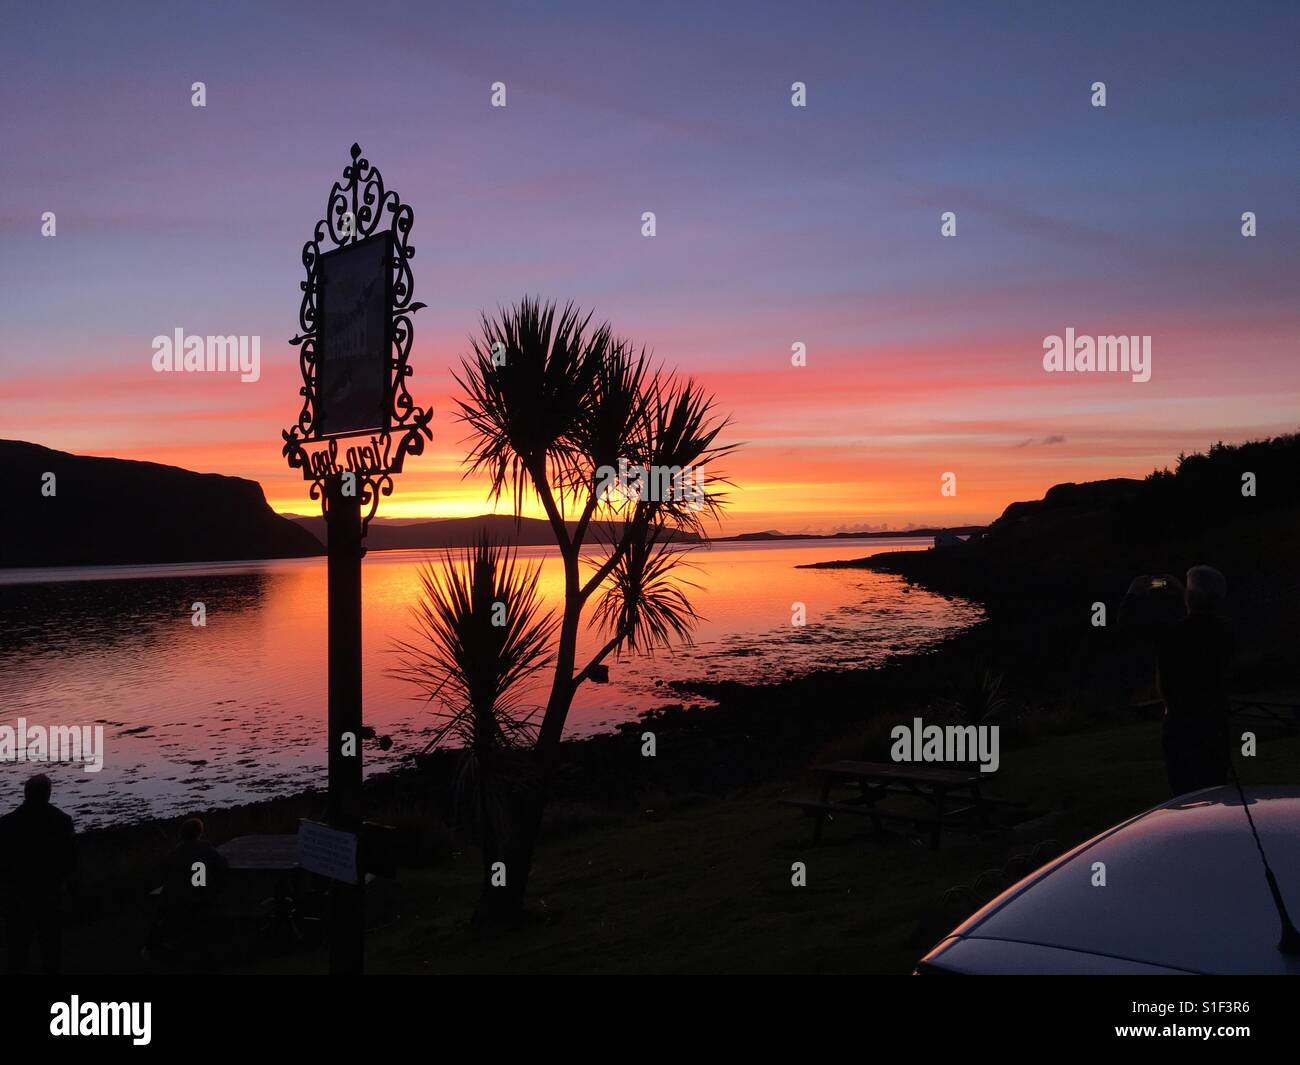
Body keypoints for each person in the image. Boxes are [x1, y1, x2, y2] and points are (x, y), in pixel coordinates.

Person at [1121, 566, 1236, 796]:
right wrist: (1185, 592)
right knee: (1214, 784)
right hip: (1216, 720)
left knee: (1184, 790)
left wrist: (1133, 592)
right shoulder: (1226, 629)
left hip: (1180, 723)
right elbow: (1199, 623)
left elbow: (1126, 623)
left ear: (1190, 596)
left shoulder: (1172, 633)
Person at [0, 773, 78, 974]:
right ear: (48, 794)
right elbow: (70, 861)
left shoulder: (7, 823)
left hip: (19, 897)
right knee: (50, 952)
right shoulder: (62, 821)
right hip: (49, 896)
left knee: (17, 953)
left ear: (26, 794)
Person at [145, 817, 229, 958]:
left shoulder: (175, 853)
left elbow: (164, 874)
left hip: (175, 899)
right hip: (201, 898)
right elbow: (222, 865)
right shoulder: (206, 848)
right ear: (199, 833)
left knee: (164, 912)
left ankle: (152, 946)